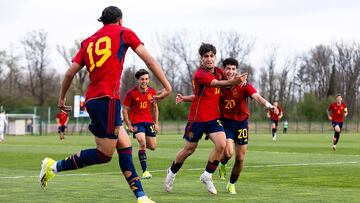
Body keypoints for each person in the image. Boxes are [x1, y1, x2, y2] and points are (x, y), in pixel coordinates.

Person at [39, 6, 172, 203]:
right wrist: (167, 86)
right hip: (106, 99)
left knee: (126, 146)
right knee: (104, 155)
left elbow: (69, 73)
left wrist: (61, 99)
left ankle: (141, 196)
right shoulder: (124, 33)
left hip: (95, 100)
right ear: (120, 20)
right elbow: (150, 60)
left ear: (102, 21)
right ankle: (52, 166)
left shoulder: (88, 41)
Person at [164, 43, 246, 195]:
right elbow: (217, 83)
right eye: (206, 56)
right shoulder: (200, 74)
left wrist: (241, 81)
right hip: (197, 118)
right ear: (201, 59)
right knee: (189, 149)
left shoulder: (219, 71)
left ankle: (207, 175)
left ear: (215, 57)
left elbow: (229, 76)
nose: (209, 59)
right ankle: (172, 171)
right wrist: (233, 81)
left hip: (213, 118)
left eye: (212, 56)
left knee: (221, 145)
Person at [216, 58, 278, 194]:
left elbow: (257, 97)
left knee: (240, 158)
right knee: (228, 152)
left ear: (236, 71)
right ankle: (222, 163)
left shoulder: (244, 86)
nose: (230, 71)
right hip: (226, 123)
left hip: (242, 123)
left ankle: (231, 184)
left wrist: (269, 106)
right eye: (228, 69)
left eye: (233, 69)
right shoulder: (219, 85)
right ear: (224, 70)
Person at [122, 69, 159, 179]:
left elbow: (155, 108)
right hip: (137, 122)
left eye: (146, 79)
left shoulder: (152, 92)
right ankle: (145, 171)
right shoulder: (131, 93)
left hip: (149, 122)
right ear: (138, 80)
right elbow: (125, 110)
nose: (144, 81)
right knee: (142, 142)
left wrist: (156, 123)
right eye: (142, 79)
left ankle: (142, 147)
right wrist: (129, 125)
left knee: (152, 147)